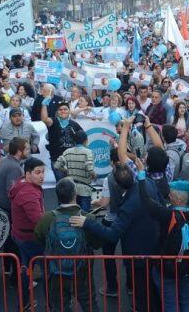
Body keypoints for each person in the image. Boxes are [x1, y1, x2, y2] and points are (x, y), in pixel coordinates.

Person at [70, 117, 163, 312]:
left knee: (142, 291)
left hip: (138, 253)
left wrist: (88, 222)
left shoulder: (128, 204)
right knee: (152, 287)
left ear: (118, 186)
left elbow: (112, 234)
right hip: (154, 245)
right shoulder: (147, 184)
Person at [133, 159, 189, 312]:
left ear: (178, 199)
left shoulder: (167, 215)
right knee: (186, 302)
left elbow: (146, 200)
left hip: (166, 269)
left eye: (171, 195)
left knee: (169, 303)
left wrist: (141, 175)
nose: (169, 196)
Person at [34, 177, 102, 312]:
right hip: (82, 271)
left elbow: (38, 238)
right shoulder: (87, 218)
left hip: (56, 271)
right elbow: (97, 243)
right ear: (75, 195)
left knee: (60, 306)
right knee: (89, 304)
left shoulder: (47, 218)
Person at [9, 157, 46, 301]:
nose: (42, 176)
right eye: (38, 172)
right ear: (28, 174)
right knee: (47, 267)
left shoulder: (21, 183)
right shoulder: (29, 193)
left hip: (20, 234)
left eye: (43, 172)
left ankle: (24, 301)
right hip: (30, 238)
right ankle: (50, 302)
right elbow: (39, 220)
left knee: (25, 267)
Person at [53, 130, 96, 211]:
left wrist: (66, 170)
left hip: (72, 189)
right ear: (86, 141)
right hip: (85, 189)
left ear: (74, 141)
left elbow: (56, 166)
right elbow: (90, 168)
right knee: (84, 216)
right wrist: (94, 175)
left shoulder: (67, 151)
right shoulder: (88, 152)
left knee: (73, 214)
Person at [41, 100, 83, 174]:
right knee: (61, 184)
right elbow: (44, 119)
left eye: (65, 109)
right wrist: (44, 105)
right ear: (57, 112)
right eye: (60, 109)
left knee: (73, 184)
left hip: (72, 162)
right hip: (57, 161)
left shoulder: (74, 124)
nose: (63, 111)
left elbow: (83, 138)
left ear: (69, 111)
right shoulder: (53, 121)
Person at [0, 137, 29, 212]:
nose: (28, 152)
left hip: (0, 203)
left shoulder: (4, 159)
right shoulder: (14, 167)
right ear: (19, 152)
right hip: (8, 207)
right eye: (26, 149)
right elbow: (12, 192)